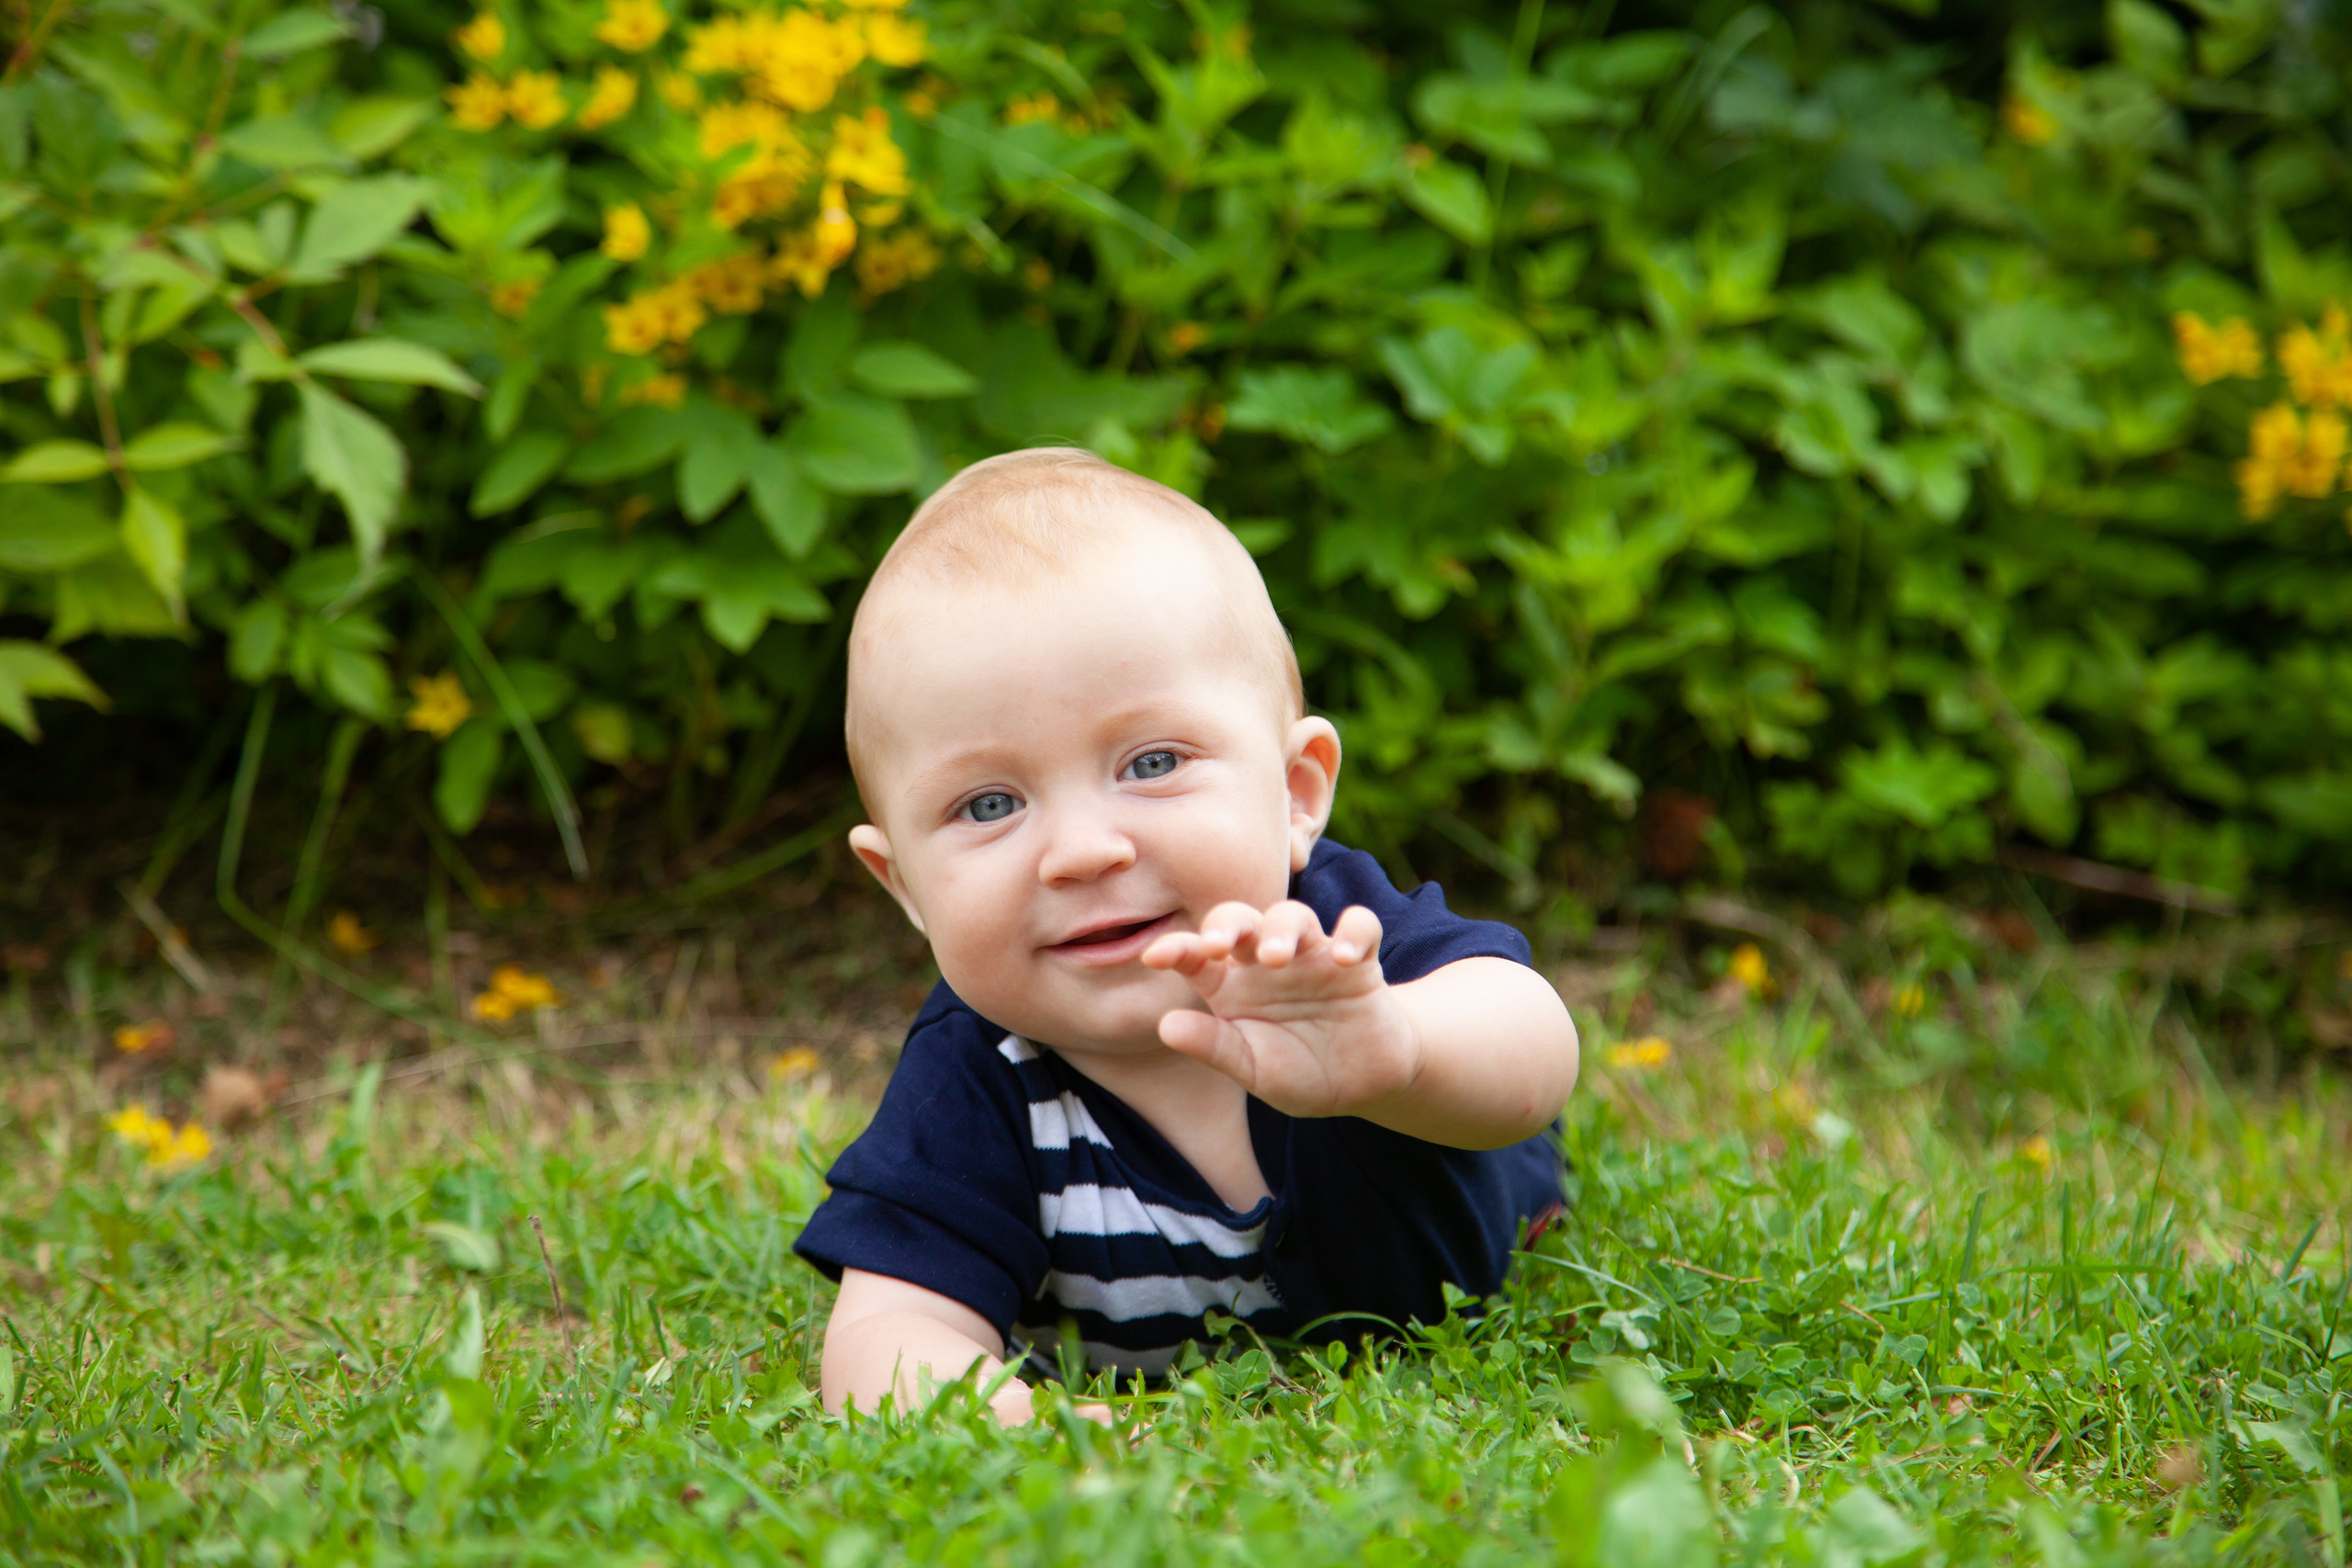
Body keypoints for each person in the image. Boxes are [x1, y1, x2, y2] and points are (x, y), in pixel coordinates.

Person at [794, 447, 1580, 1424]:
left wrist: (1398, 1048)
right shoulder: (979, 1074)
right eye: (989, 802)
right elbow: (887, 1332)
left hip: (1466, 1189)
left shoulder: (1330, 946)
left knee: (1501, 1115)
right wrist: (1014, 1430)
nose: (1080, 851)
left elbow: (1537, 1049)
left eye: (1151, 760)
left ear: (1295, 794)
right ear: (902, 883)